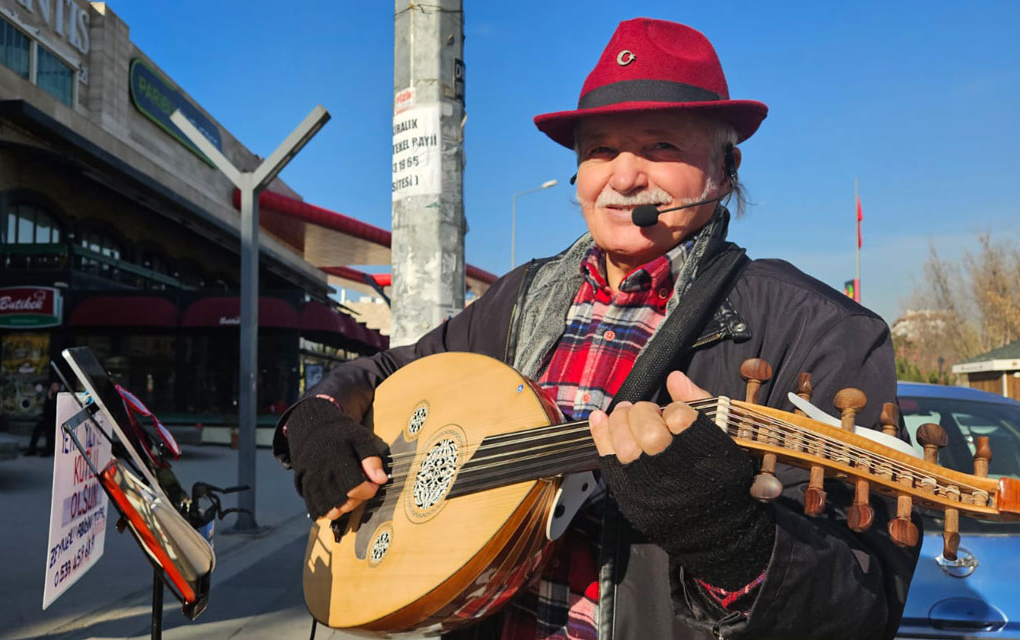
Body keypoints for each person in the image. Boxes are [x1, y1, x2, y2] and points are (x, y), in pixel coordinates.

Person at [275, 18, 918, 640]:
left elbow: (864, 607)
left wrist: (732, 540)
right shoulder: (521, 298)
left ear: (725, 169)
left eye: (661, 146)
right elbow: (387, 372)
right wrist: (320, 414)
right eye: (602, 150)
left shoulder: (823, 331)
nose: (624, 175)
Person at [24, 381, 60, 457]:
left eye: (55, 386)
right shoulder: (49, 395)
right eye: (53, 386)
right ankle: (32, 449)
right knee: (36, 430)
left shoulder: (59, 396)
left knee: (49, 433)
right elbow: (45, 409)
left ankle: (48, 450)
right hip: (46, 419)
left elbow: (54, 409)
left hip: (54, 420)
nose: (54, 388)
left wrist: (50, 399)